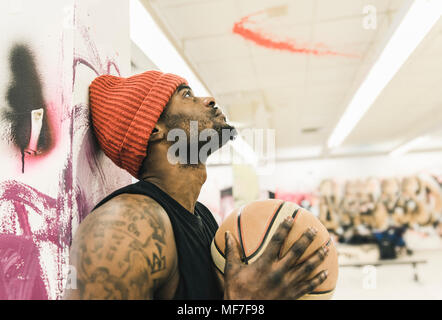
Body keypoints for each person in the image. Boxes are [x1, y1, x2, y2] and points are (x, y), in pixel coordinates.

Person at [63, 70, 329, 300]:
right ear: (154, 128)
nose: (209, 99)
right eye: (187, 95)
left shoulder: (203, 216)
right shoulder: (124, 227)